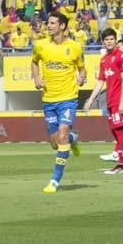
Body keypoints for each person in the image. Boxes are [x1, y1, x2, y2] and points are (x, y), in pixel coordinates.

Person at [31, 11, 86, 193]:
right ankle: (73, 137)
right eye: (48, 23)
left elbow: (82, 69)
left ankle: (55, 180)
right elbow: (34, 62)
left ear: (62, 26)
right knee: (55, 143)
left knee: (61, 135)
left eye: (52, 23)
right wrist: (37, 78)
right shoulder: (40, 46)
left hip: (68, 99)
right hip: (49, 100)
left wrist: (81, 78)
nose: (48, 25)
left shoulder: (75, 47)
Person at [83, 28, 123, 174]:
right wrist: (91, 99)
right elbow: (100, 81)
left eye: (112, 39)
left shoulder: (121, 57)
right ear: (103, 42)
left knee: (121, 130)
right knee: (115, 131)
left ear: (115, 40)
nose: (109, 42)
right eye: (106, 40)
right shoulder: (104, 60)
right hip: (111, 101)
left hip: (120, 100)